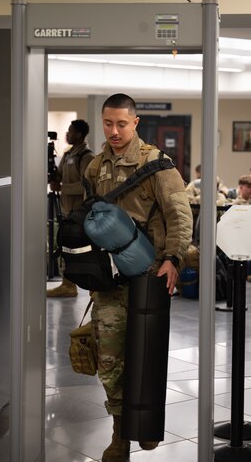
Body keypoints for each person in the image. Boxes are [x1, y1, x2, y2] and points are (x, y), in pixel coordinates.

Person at [84, 93, 193, 462]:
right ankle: (120, 436)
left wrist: (174, 259)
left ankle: (145, 424)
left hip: (148, 276)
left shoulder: (157, 165)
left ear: (135, 123)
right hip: (109, 280)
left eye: (121, 124)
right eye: (108, 123)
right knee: (111, 358)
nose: (114, 131)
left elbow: (180, 214)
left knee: (146, 353)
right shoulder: (95, 167)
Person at [47, 119, 94, 297]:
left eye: (70, 131)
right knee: (65, 246)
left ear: (79, 134)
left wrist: (62, 188)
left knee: (80, 248)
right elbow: (59, 176)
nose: (67, 134)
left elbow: (86, 185)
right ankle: (67, 284)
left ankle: (82, 285)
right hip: (67, 210)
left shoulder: (86, 156)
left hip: (80, 212)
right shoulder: (68, 155)